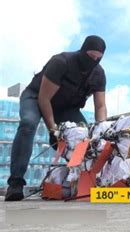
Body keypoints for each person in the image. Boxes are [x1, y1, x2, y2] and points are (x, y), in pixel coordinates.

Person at [5, 35, 108, 201]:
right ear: (82, 51)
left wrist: (101, 130)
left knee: (84, 136)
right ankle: (16, 183)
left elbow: (101, 106)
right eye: (90, 56)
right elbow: (44, 99)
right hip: (37, 97)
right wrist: (53, 129)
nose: (93, 61)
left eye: (98, 58)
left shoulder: (98, 74)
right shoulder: (61, 62)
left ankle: (77, 181)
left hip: (66, 108)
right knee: (28, 124)